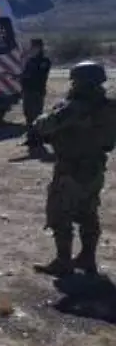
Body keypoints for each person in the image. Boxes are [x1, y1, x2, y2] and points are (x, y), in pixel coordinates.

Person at [32, 61, 116, 276]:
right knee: (88, 213)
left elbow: (44, 125)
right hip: (96, 168)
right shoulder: (108, 107)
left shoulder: (74, 108)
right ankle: (87, 258)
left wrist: (47, 118)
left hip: (71, 169)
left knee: (60, 214)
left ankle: (63, 261)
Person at [20, 39, 52, 152]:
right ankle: (31, 137)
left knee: (36, 115)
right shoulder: (30, 60)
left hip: (37, 91)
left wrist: (27, 77)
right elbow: (24, 74)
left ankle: (38, 138)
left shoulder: (44, 61)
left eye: (33, 47)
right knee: (28, 114)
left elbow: (39, 75)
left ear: (39, 47)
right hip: (28, 91)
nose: (31, 49)